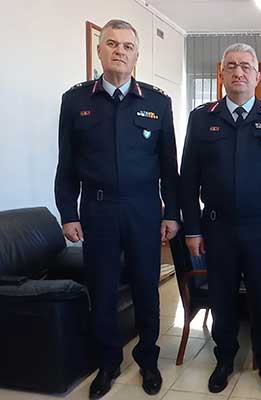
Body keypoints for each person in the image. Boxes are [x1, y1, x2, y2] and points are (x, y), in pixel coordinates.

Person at [54, 19, 179, 399]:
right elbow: (66, 164)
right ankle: (107, 364)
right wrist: (68, 213)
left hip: (144, 209)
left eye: (127, 46)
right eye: (111, 44)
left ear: (137, 55)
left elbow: (168, 166)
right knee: (103, 290)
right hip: (98, 209)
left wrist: (171, 213)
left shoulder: (157, 103)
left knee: (146, 288)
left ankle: (148, 360)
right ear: (100, 50)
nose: (119, 51)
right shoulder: (76, 101)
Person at [180, 43, 261, 396]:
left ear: (258, 75)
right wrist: (192, 229)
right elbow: (188, 179)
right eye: (231, 66)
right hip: (217, 227)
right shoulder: (202, 118)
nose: (238, 72)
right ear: (221, 74)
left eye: (246, 66)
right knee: (222, 299)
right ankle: (224, 360)